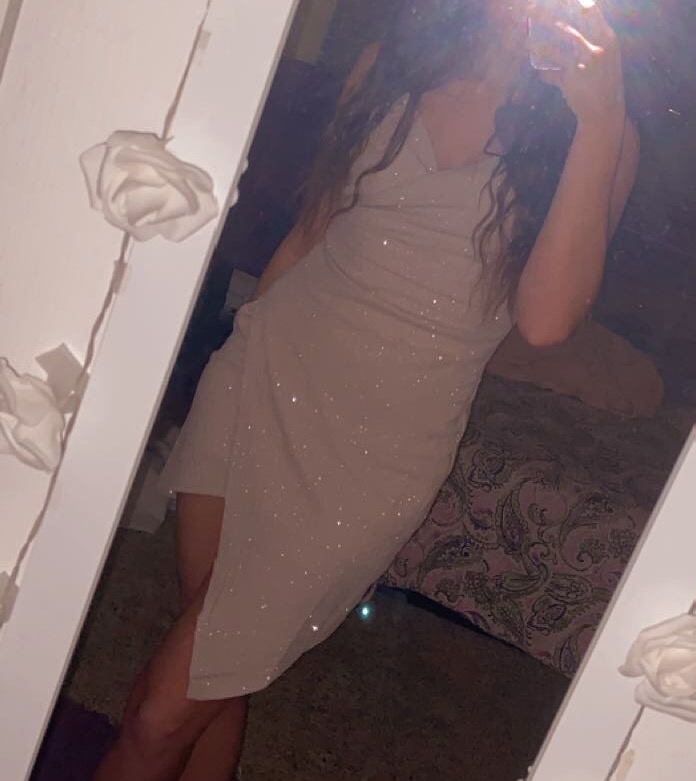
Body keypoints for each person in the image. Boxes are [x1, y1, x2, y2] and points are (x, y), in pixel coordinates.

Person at [94, 0, 638, 778]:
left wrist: (599, 115)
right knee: (212, 672)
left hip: (373, 455)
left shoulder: (600, 133)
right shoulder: (391, 64)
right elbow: (310, 231)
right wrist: (237, 344)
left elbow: (546, 321)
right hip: (263, 371)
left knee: (159, 711)